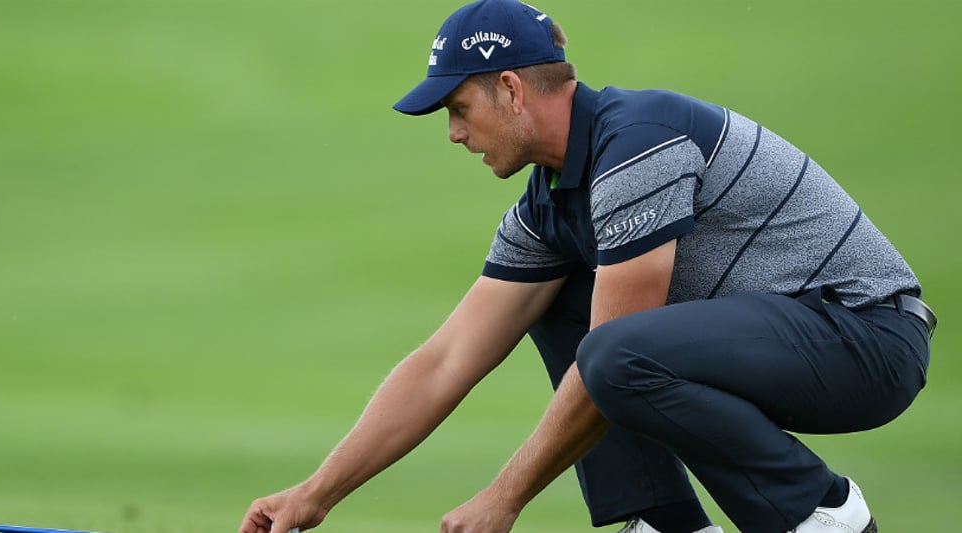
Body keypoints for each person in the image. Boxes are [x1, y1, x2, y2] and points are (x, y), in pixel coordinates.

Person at [237, 1, 935, 532]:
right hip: (792, 346)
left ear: (511, 89)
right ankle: (663, 519)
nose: (453, 133)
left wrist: (502, 498)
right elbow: (446, 359)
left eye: (458, 109)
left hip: (866, 339)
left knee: (615, 350)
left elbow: (615, 352)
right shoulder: (549, 203)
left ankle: (819, 512)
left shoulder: (638, 143)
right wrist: (315, 494)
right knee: (569, 302)